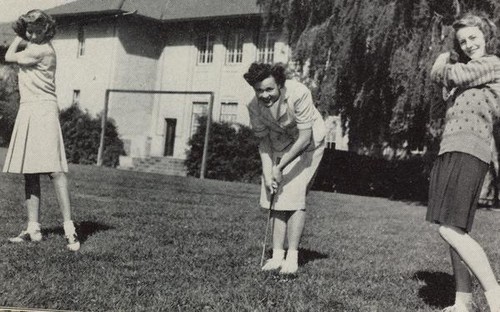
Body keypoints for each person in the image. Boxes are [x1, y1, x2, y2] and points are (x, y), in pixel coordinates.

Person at [426, 13, 500, 312]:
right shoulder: (466, 72)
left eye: (473, 37)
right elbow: (437, 94)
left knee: (449, 228)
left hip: (471, 148)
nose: (469, 44)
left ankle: (495, 294)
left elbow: (448, 75)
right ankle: (463, 300)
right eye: (463, 41)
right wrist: (442, 72)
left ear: (485, 35)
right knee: (452, 227)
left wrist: (443, 60)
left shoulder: (493, 64)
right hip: (450, 147)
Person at [2, 10, 80, 251]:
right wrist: (24, 33)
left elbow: (8, 55)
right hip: (29, 109)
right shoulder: (37, 47)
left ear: (46, 29)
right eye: (28, 29)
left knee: (55, 170)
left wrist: (18, 36)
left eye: (36, 29)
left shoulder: (41, 50)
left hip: (43, 110)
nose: (31, 33)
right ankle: (33, 227)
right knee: (30, 171)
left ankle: (69, 229)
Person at [243, 63, 326, 274]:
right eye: (259, 90)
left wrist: (280, 166)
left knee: (295, 195)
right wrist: (268, 172)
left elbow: (305, 138)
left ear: (280, 84)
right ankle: (277, 255)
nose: (264, 95)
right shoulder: (253, 107)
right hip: (280, 143)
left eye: (269, 89)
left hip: (309, 143)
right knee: (276, 195)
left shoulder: (299, 93)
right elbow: (263, 143)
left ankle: (292, 257)